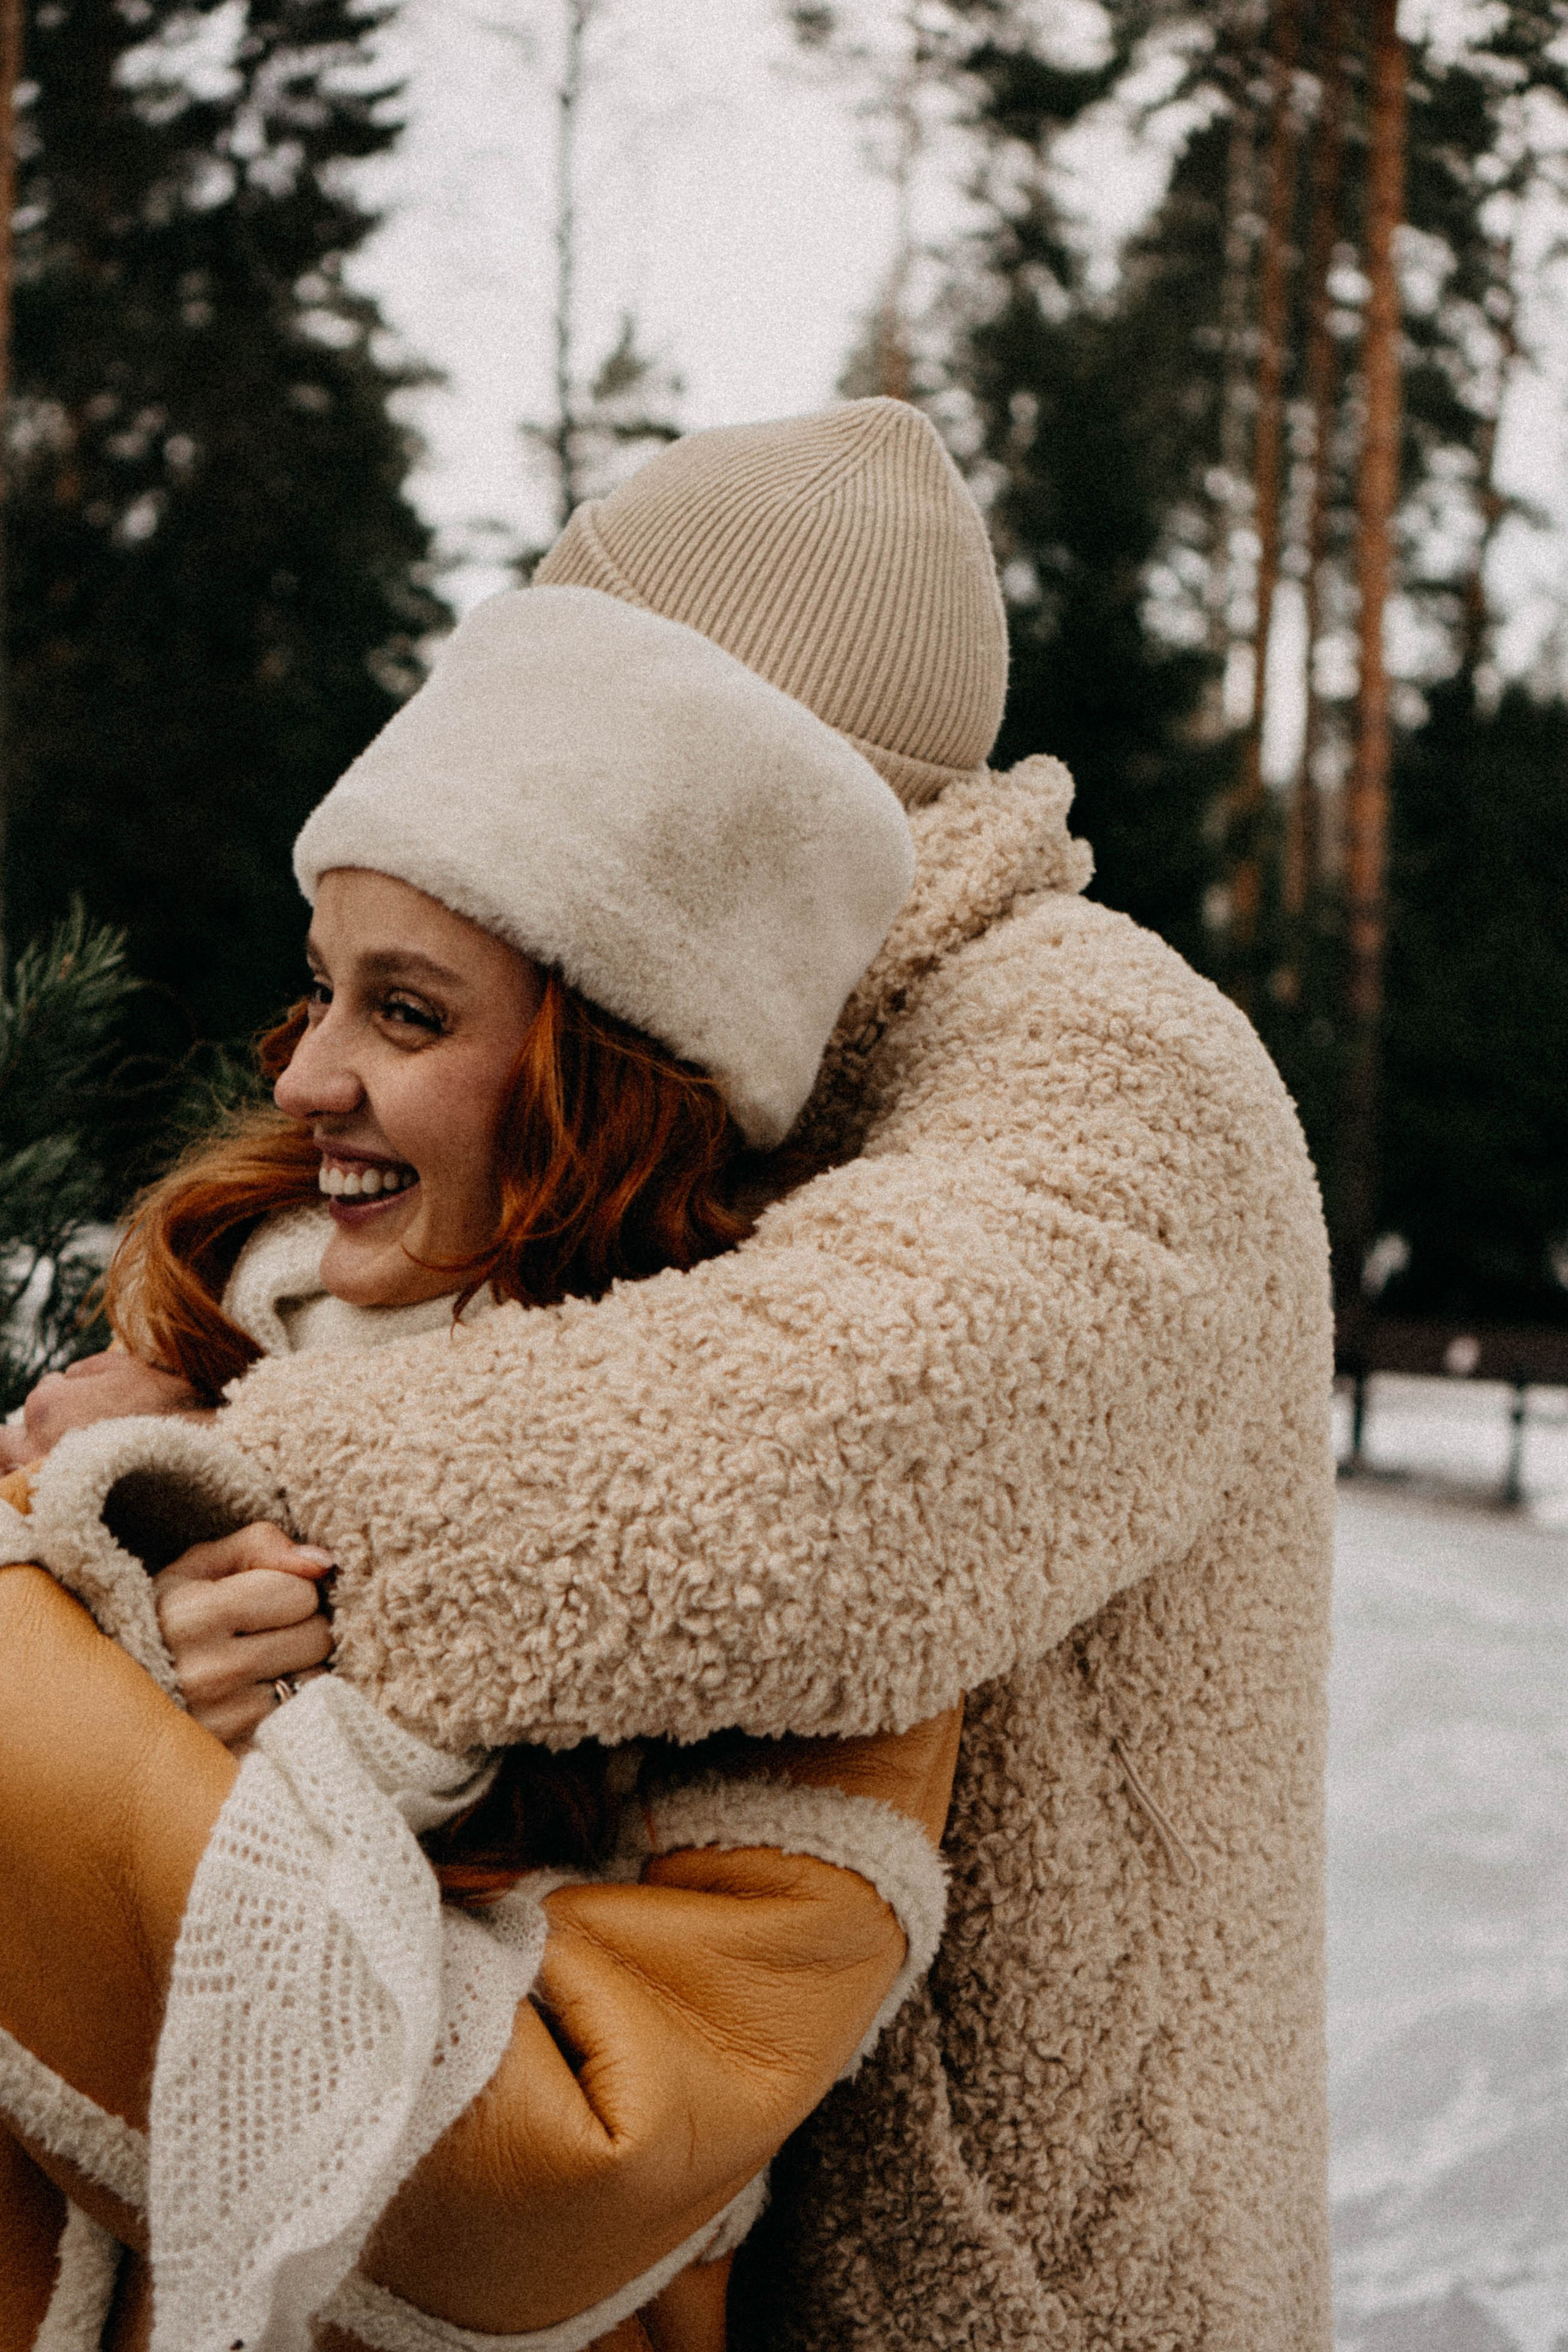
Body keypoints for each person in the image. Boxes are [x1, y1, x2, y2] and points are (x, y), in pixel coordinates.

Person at [0, 398, 1336, 2350]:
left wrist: (167, 1499)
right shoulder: (737, 1045)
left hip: (999, 2294)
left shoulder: (1103, 1050)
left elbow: (807, 1476)